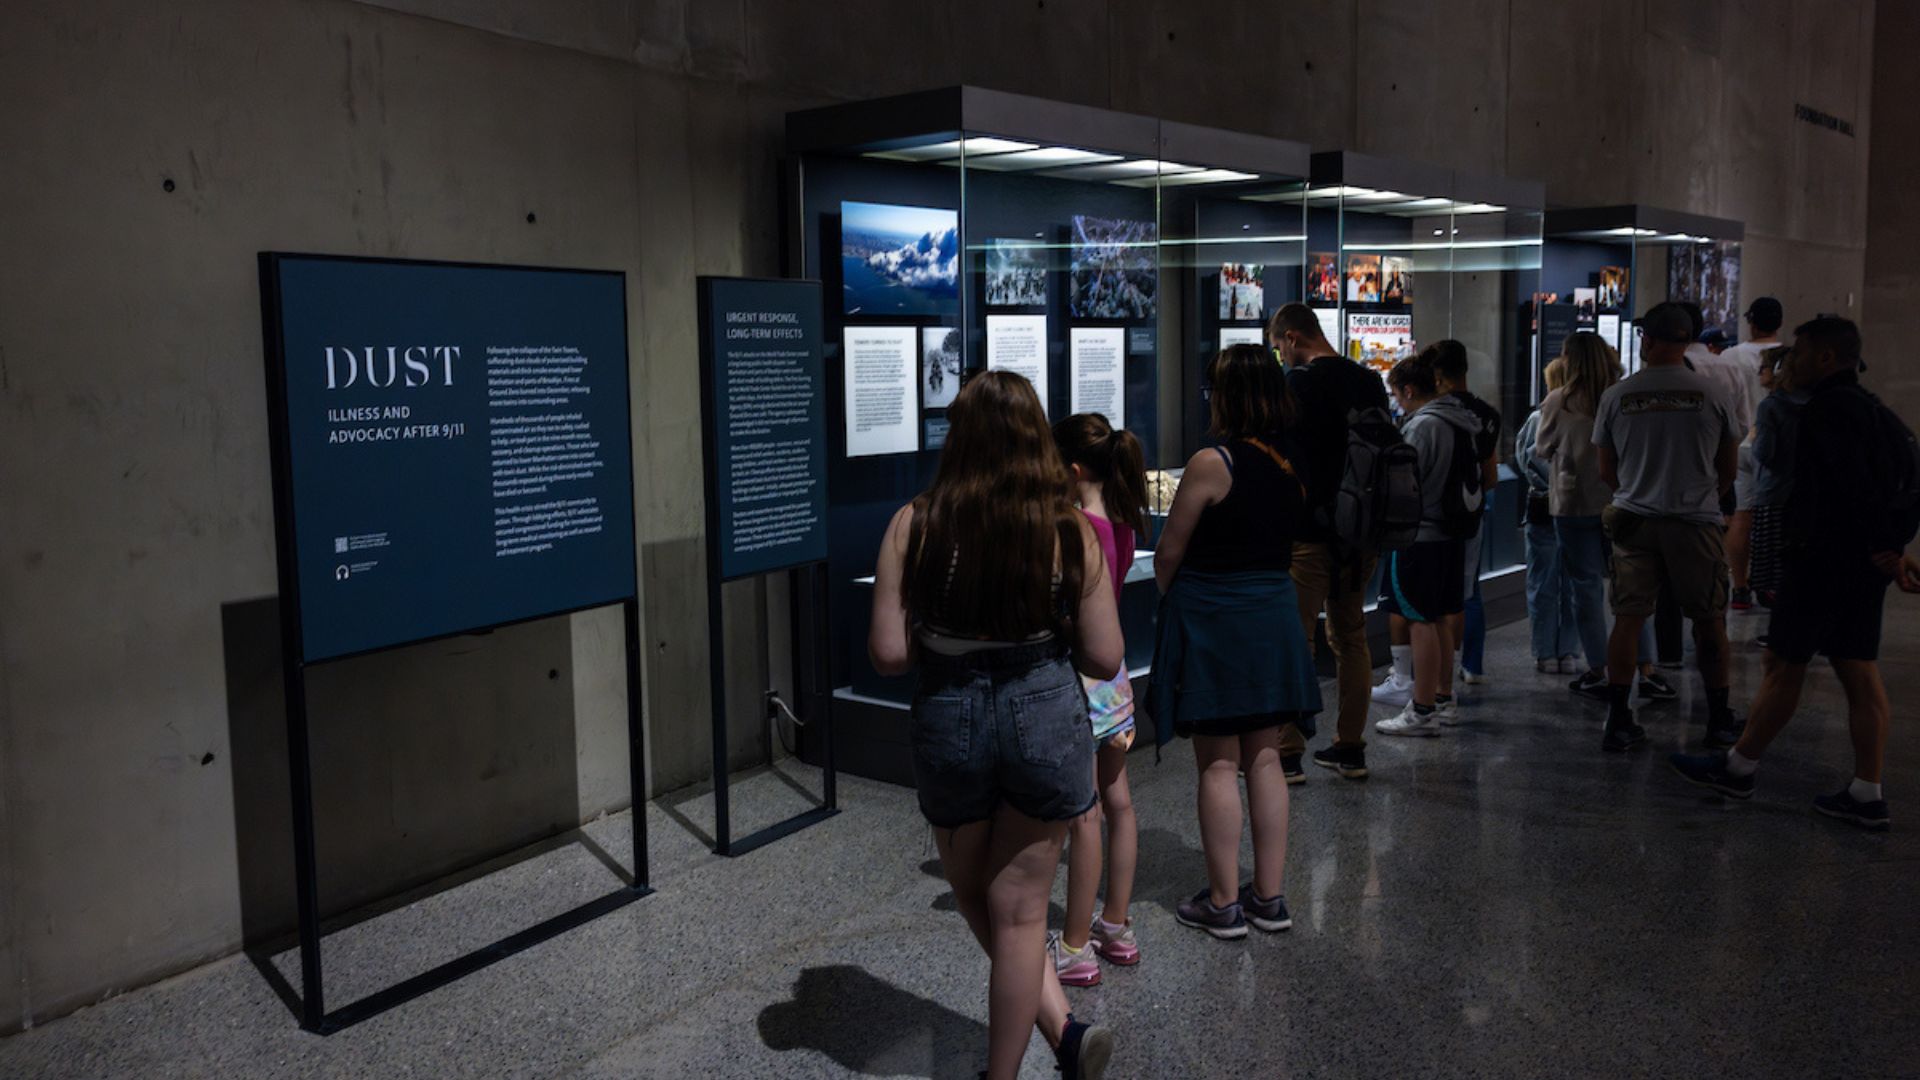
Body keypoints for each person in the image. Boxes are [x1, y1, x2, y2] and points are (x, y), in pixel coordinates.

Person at [867, 371, 1120, 1080]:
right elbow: (1104, 655)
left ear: (960, 435)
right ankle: (1033, 1054)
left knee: (981, 896)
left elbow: (888, 653)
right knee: (1018, 912)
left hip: (951, 714)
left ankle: (1063, 1035)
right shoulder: (1067, 529)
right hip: (1044, 710)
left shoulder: (914, 522)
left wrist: (946, 640)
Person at [1670, 316, 1920, 829]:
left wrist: (1882, 544)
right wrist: (1891, 546)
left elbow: (1848, 488)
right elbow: (1907, 474)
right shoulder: (1874, 409)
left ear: (1826, 357)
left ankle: (1738, 768)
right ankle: (1867, 792)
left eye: (1801, 354)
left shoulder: (1828, 411)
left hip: (1822, 561)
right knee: (1858, 670)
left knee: (1784, 664)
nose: (1793, 363)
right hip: (1858, 568)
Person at [1151, 344, 1321, 938]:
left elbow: (1169, 552)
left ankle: (1223, 903)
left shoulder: (1211, 461)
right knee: (1267, 755)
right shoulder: (1292, 457)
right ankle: (1269, 898)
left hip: (1216, 616)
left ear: (1225, 395)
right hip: (1273, 610)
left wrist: (1175, 596)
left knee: (1218, 764)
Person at [1591, 302, 1742, 752]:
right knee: (1710, 620)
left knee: (1628, 618)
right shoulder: (1712, 394)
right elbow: (1728, 468)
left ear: (1647, 341)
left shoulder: (1618, 396)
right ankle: (1717, 719)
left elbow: (1605, 469)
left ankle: (1619, 718)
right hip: (1695, 523)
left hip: (1635, 521)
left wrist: (1637, 490)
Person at [1269, 303, 1392, 781]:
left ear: (1295, 337)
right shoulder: (1368, 381)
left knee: (1295, 639)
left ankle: (1288, 752)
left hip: (1309, 534)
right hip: (1360, 531)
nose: (1281, 356)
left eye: (1281, 347)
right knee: (1351, 638)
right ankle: (1350, 747)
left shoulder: (1299, 384)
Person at [1048, 413, 1147, 987]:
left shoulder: (1077, 528)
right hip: (1117, 681)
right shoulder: (1126, 522)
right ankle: (1117, 925)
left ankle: (1075, 945)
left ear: (1073, 469)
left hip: (1080, 675)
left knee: (1083, 813)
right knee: (1120, 803)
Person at [1536, 332, 1678, 705]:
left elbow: (1542, 447)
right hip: (1622, 502)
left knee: (1585, 590)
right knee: (1631, 591)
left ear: (1571, 360)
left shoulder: (1558, 400)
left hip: (1572, 503)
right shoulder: (1625, 397)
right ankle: (1646, 669)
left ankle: (1599, 669)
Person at [1375, 349, 1479, 737]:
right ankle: (1442, 698)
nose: (1398, 405)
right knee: (1439, 618)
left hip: (1421, 535)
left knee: (1419, 619)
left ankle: (1421, 709)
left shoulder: (1422, 427)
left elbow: (1405, 484)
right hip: (1453, 534)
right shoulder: (1462, 422)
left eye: (1397, 396)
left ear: (1407, 389)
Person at [1430, 341, 1502, 688]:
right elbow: (1491, 475)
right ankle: (1471, 664)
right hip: (1472, 511)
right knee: (1469, 590)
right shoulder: (1487, 414)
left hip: (1433, 516)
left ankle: (1434, 669)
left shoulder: (1431, 413)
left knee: (1430, 596)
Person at [1516, 358, 1579, 672]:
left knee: (1542, 584)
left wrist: (1548, 485)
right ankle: (1568, 651)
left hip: (1542, 508)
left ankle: (1545, 653)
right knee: (1574, 584)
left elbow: (1526, 459)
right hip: (1578, 510)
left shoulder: (1538, 418)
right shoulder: (1585, 417)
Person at [1748, 345, 1805, 609]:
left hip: (1771, 492)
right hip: (1797, 492)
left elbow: (1764, 452)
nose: (1760, 372)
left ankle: (1780, 632)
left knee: (1770, 568)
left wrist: (1756, 436)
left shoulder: (1770, 406)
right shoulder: (1805, 403)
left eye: (1765, 367)